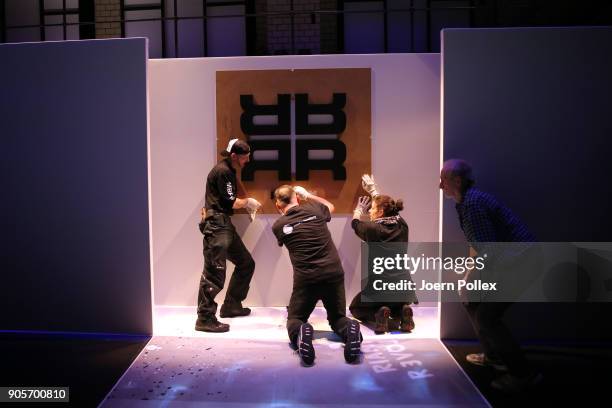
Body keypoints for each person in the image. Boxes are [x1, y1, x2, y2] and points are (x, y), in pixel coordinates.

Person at [439, 158, 542, 393]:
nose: (440, 185)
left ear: (456, 180)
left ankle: (523, 374)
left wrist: (469, 279)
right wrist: (468, 279)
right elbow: (479, 245)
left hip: (521, 263)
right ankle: (494, 356)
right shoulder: (466, 202)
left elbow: (488, 250)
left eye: (443, 179)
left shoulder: (473, 205)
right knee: (473, 301)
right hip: (510, 262)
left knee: (488, 317)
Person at [272, 185, 362, 366]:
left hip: (307, 279)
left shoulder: (279, 226)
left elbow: (288, 229)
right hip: (333, 273)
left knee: (295, 318)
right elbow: (331, 206)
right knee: (337, 318)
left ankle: (302, 331)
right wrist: (309, 196)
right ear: (297, 197)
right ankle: (349, 328)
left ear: (277, 205)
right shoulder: (314, 209)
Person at [195, 138, 261, 333]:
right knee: (214, 272)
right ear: (234, 156)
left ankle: (232, 305)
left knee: (246, 263)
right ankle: (205, 318)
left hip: (224, 224)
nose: (247, 161)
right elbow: (232, 203)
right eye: (245, 158)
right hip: (217, 226)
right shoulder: (223, 172)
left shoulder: (229, 171)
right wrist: (248, 201)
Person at [349, 185, 418, 334]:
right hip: (404, 290)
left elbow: (355, 224)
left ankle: (378, 314)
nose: (370, 212)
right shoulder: (402, 225)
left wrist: (358, 210)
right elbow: (391, 211)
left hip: (380, 290)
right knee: (394, 302)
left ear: (380, 212)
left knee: (355, 308)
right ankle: (402, 312)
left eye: (372, 209)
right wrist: (374, 191)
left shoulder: (372, 229)